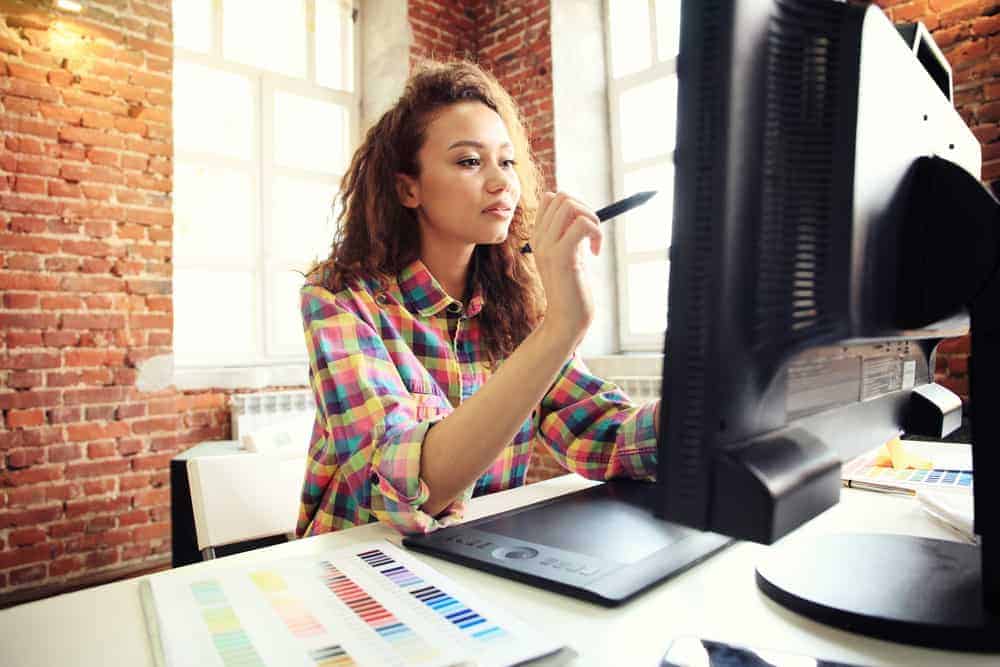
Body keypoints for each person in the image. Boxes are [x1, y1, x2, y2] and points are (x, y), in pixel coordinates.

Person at [297, 60, 660, 538]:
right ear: (409, 188)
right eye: (470, 161)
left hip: (474, 563)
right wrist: (561, 328)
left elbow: (604, 436)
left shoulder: (514, 308)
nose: (502, 182)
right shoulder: (341, 299)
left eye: (506, 161)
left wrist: (711, 399)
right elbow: (406, 486)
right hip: (355, 571)